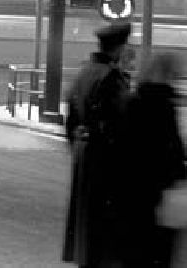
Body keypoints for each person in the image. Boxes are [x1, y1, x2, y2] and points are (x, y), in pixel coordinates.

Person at [62, 21, 132, 267]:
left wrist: (79, 144)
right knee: (105, 229)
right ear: (118, 48)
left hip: (85, 155)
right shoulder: (111, 77)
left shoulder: (85, 72)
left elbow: (70, 119)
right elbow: (119, 123)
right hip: (106, 160)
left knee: (86, 223)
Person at [122, 53, 187, 267]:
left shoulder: (134, 102)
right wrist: (179, 173)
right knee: (159, 253)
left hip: (134, 192)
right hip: (159, 193)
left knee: (136, 252)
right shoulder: (164, 105)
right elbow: (173, 150)